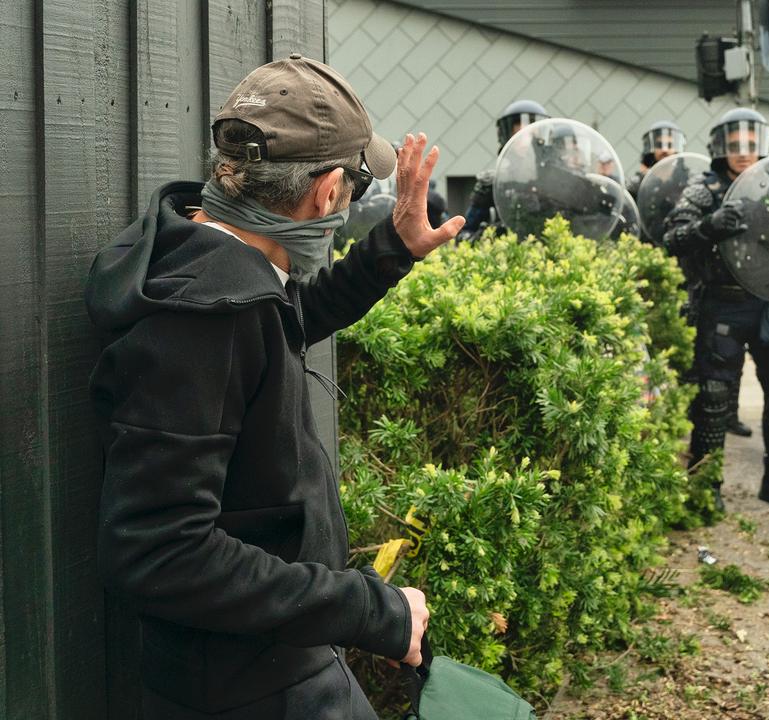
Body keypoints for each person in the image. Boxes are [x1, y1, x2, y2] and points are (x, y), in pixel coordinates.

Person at [84, 55, 463, 719]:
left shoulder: (213, 262)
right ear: (324, 194)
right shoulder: (206, 318)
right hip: (250, 690)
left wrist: (389, 252)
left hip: (274, 660)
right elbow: (159, 552)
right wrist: (370, 610)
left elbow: (279, 332)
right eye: (351, 185)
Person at [664, 108, 769, 512]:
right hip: (722, 303)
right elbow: (672, 239)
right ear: (720, 148)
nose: (744, 152)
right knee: (712, 397)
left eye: (751, 144)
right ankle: (705, 486)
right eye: (735, 145)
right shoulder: (704, 190)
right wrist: (708, 226)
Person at [460, 99, 549, 239]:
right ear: (508, 136)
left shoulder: (554, 182)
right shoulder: (492, 184)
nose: (526, 141)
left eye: (531, 134)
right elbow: (464, 234)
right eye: (520, 134)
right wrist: (488, 235)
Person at [627, 120, 687, 196]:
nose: (664, 150)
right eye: (659, 144)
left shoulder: (689, 181)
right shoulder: (637, 184)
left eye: (669, 145)